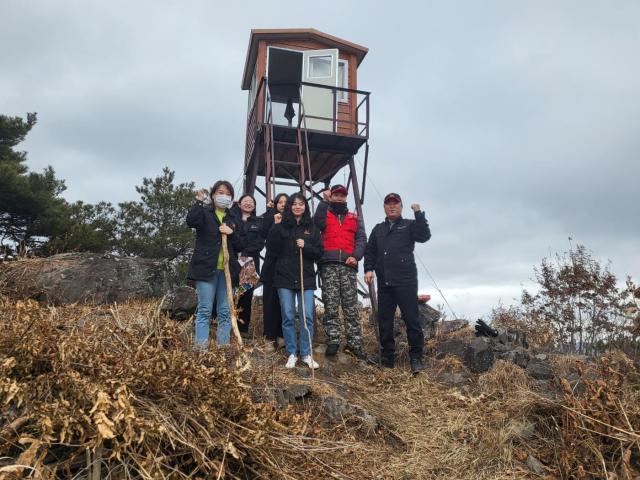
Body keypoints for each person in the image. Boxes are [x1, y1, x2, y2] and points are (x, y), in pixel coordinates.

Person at [363, 193, 431, 373]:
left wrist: (418, 213)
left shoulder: (409, 225)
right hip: (385, 282)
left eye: (395, 204)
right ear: (384, 207)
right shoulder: (378, 229)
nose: (392, 207)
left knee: (411, 320)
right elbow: (370, 251)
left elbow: (424, 236)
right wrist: (368, 269)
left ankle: (416, 358)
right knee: (384, 320)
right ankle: (387, 358)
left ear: (401, 207)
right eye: (388, 204)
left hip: (406, 281)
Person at [266, 193, 323, 369]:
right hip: (284, 277)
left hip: (305, 277)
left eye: (301, 204)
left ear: (305, 206)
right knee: (288, 316)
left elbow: (319, 252)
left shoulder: (312, 228)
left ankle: (305, 353)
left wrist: (306, 246)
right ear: (290, 206)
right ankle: (291, 352)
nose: (298, 207)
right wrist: (275, 226)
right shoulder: (282, 225)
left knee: (307, 317)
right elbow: (272, 247)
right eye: (295, 204)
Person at [186, 180, 242, 350]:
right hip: (206, 270)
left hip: (227, 272)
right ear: (213, 195)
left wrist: (231, 234)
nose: (224, 196)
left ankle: (222, 350)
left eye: (227, 193)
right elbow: (191, 221)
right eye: (220, 192)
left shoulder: (233, 218)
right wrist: (198, 201)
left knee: (225, 312)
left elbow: (241, 245)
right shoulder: (205, 213)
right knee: (204, 309)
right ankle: (200, 350)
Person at [314, 185, 367, 359]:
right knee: (330, 304)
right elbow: (317, 225)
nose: (338, 198)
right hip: (328, 265)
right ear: (331, 196)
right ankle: (333, 340)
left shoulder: (354, 217)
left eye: (341, 196)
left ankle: (354, 343)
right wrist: (324, 201)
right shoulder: (324, 213)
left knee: (351, 306)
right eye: (335, 195)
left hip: (348, 266)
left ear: (346, 197)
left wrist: (356, 256)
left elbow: (361, 239)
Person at [230, 194, 264, 338]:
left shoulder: (258, 222)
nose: (248, 203)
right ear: (239, 204)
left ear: (255, 206)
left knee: (245, 296)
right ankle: (228, 327)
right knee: (230, 294)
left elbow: (259, 244)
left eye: (251, 202)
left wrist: (245, 252)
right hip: (232, 261)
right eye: (245, 201)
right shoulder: (231, 220)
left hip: (249, 263)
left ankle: (243, 330)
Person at [259, 193, 288, 351]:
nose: (283, 204)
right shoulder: (271, 217)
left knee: (284, 304)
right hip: (271, 266)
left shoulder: (292, 221)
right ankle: (269, 338)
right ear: (275, 204)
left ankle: (281, 336)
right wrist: (270, 213)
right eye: (280, 202)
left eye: (286, 202)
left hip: (287, 267)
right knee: (270, 303)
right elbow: (263, 234)